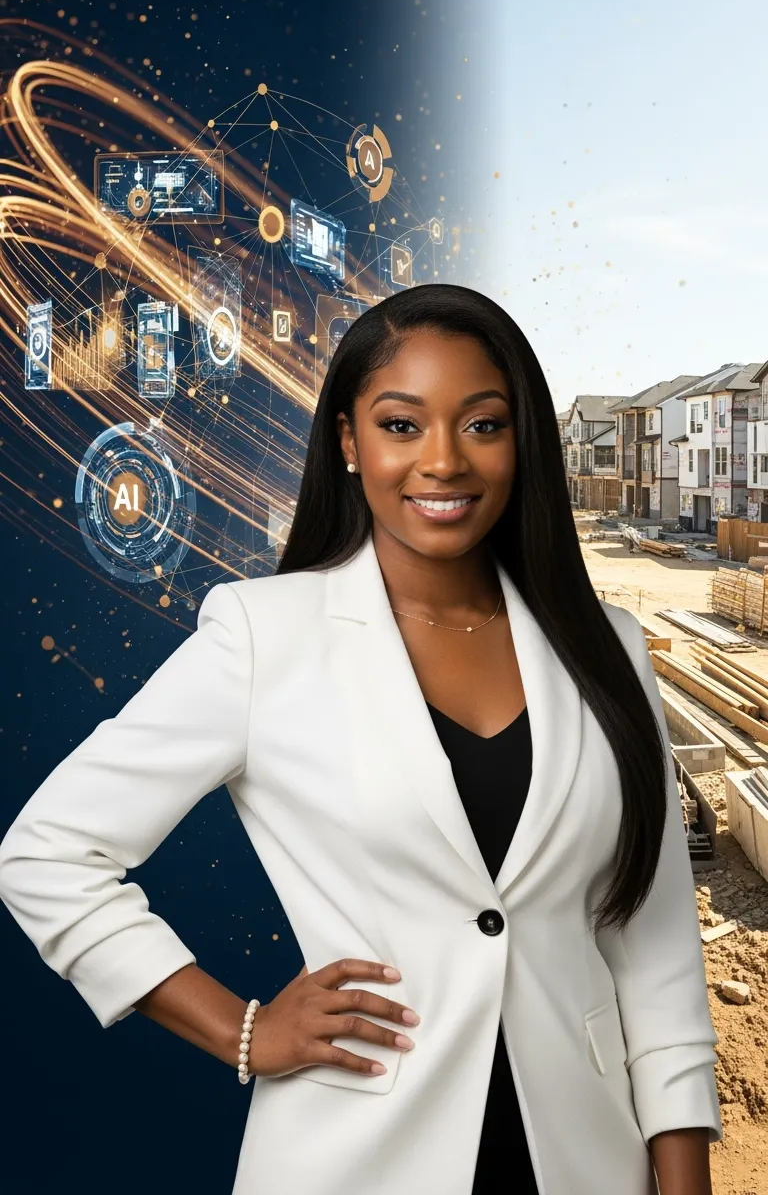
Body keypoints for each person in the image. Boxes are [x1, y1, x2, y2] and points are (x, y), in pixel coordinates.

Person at [0, 283, 721, 1195]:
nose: (445, 462)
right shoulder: (266, 636)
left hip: (584, 1156)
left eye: (484, 425)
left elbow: (652, 943)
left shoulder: (606, 645)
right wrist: (240, 1029)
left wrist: (683, 1173)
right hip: (353, 1153)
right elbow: (48, 853)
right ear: (349, 442)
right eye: (402, 425)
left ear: (522, 440)